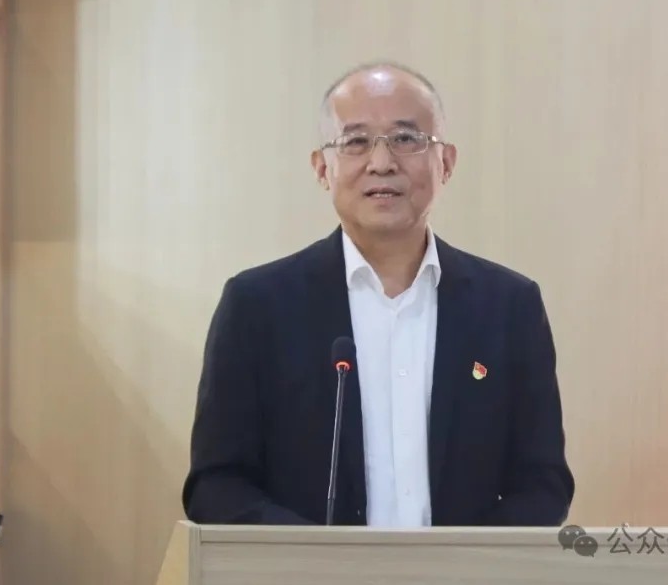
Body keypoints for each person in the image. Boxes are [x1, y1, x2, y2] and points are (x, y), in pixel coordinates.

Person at [181, 61, 574, 527]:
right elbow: (217, 485)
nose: (382, 162)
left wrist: (466, 561)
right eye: (356, 142)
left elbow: (543, 485)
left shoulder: (509, 307)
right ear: (322, 168)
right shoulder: (257, 307)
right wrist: (319, 558)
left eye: (406, 139)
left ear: (446, 162)